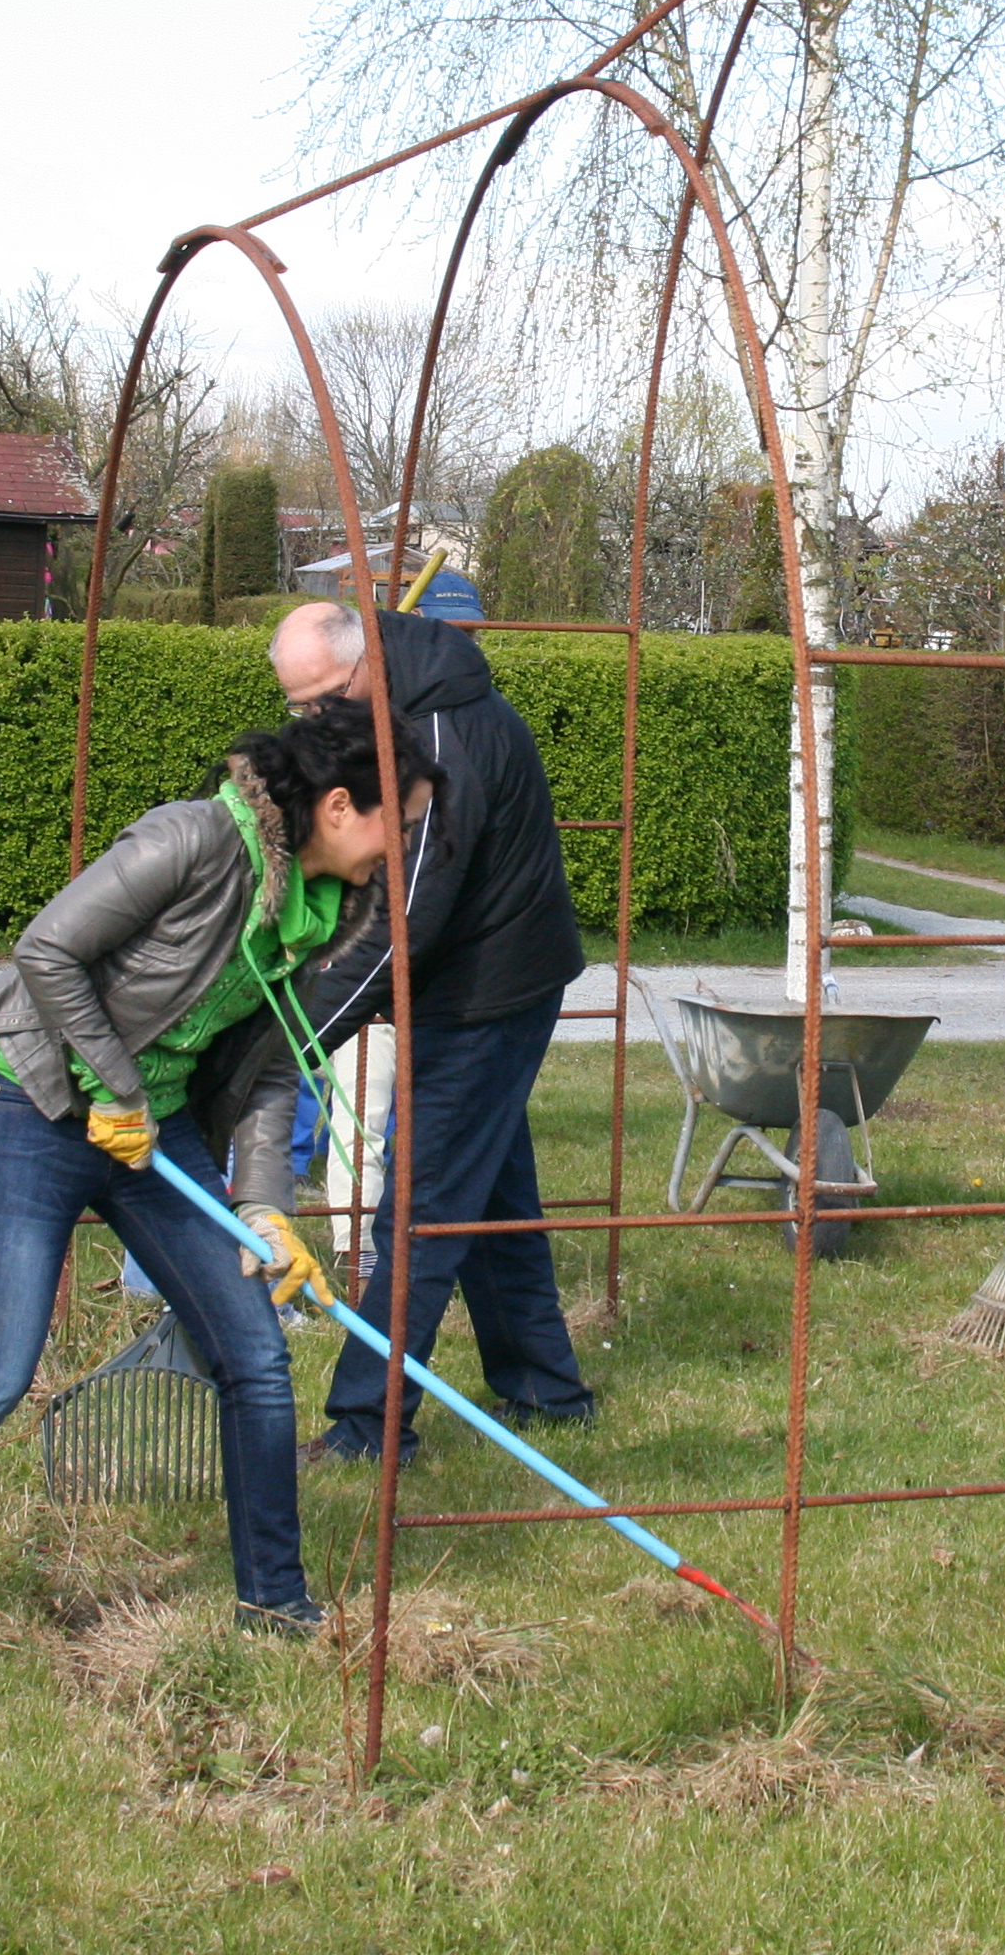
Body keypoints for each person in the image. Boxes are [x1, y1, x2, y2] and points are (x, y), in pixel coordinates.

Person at [0, 702, 433, 1646]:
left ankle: (273, 1600)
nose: (406, 847)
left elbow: (270, 1069)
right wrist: (115, 1086)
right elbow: (47, 949)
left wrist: (265, 1207)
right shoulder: (192, 839)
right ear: (341, 806)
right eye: (402, 824)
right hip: (34, 1106)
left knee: (256, 1358)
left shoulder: (323, 911)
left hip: (155, 1134)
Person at [268, 595, 593, 1459]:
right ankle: (547, 1392)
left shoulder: (445, 738)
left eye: (322, 700)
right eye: (297, 706)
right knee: (488, 1196)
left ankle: (367, 1426)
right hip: (470, 983)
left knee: (419, 1214)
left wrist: (288, 1039)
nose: (312, 721)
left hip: (489, 996)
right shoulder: (393, 706)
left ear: (365, 665)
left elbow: (403, 923)